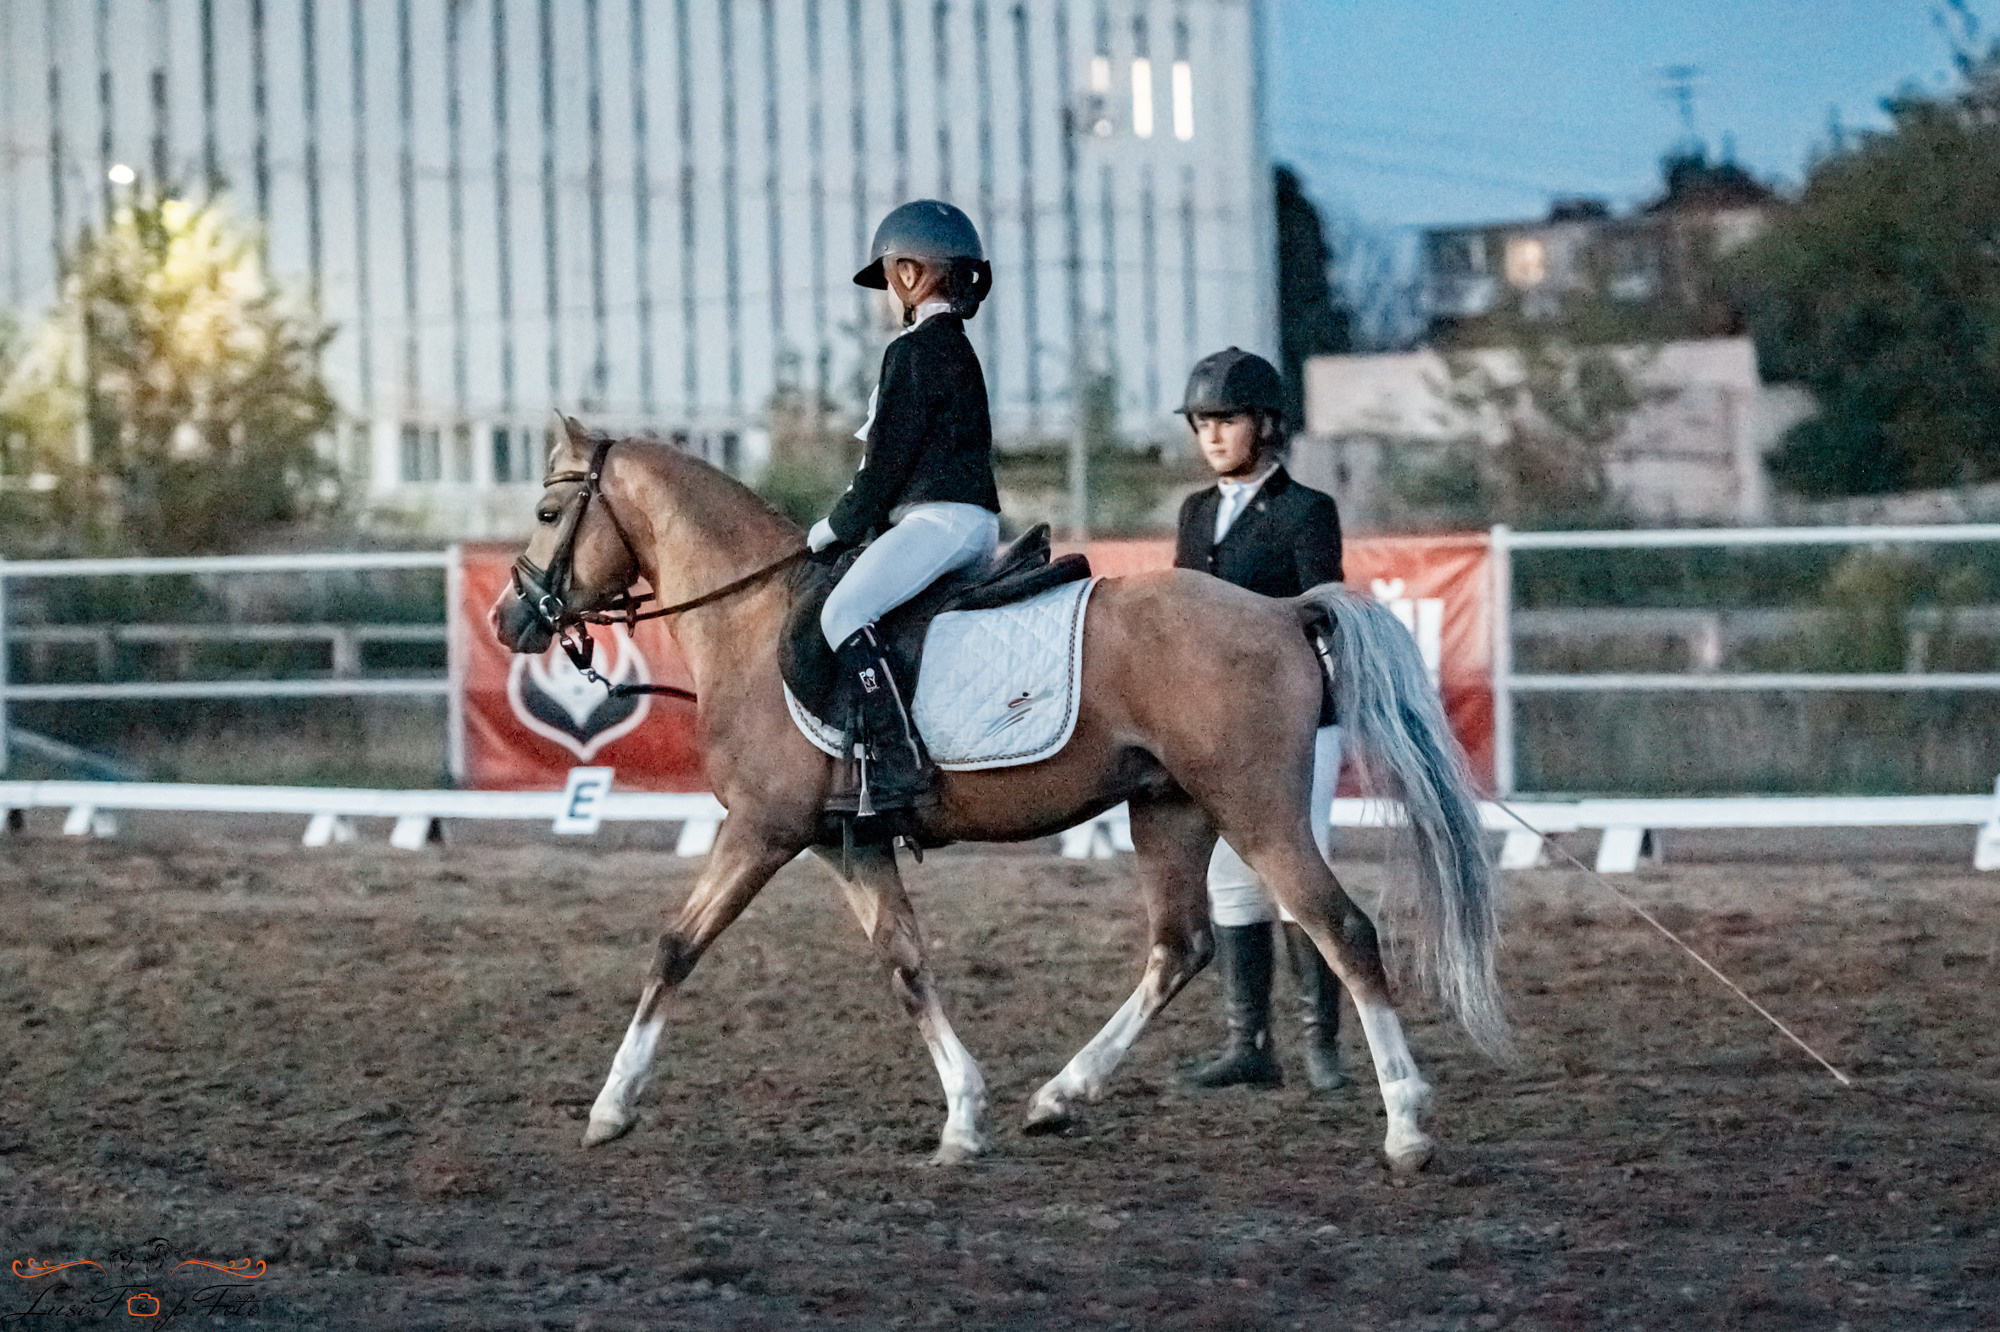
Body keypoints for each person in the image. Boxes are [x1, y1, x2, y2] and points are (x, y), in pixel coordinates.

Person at [1173, 346, 1350, 1092]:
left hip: (1294, 723)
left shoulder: (1308, 512)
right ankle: (1251, 1044)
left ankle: (1324, 1044)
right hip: (1216, 730)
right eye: (1203, 422)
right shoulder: (1196, 513)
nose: (1213, 436)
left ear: (1267, 426)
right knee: (1228, 880)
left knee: (1294, 875)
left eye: (1228, 420)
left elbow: (1323, 610)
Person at [805, 200, 1001, 815]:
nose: (883, 295)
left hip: (937, 519)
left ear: (911, 277)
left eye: (886, 278)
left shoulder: (911, 351)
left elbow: (883, 471)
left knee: (841, 613)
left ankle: (895, 758)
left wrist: (830, 529)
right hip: (971, 521)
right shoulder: (957, 347)